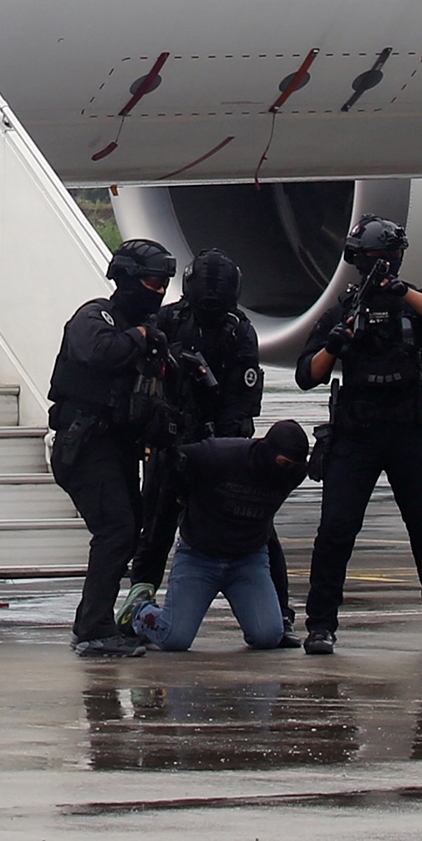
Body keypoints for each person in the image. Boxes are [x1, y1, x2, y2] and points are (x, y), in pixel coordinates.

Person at [296, 216, 422, 655]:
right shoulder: (344, 311)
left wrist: (401, 291)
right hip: (358, 433)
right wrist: (335, 345)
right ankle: (321, 625)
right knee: (335, 530)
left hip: (408, 431)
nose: (379, 266)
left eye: (385, 259)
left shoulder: (413, 303)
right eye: (372, 260)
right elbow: (306, 376)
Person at [130, 248, 300, 645]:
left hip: (221, 444)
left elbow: (242, 401)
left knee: (258, 531)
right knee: (155, 525)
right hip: (170, 437)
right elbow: (143, 378)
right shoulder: (168, 320)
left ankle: (282, 613)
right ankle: (138, 604)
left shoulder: (238, 330)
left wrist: (227, 453)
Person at [48, 237, 174, 658]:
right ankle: (93, 629)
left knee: (127, 528)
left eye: (163, 284)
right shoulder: (96, 316)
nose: (158, 292)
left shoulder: (150, 332)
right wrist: (140, 336)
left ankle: (96, 622)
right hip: (84, 444)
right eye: (152, 282)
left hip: (118, 446)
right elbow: (99, 350)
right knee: (116, 528)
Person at [129, 420, 311, 651]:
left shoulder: (295, 474)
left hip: (248, 560)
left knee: (268, 637)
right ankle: (139, 611)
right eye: (283, 463)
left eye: (294, 465)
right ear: (266, 449)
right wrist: (182, 497)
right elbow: (171, 460)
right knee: (174, 639)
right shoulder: (218, 456)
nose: (286, 470)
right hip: (199, 558)